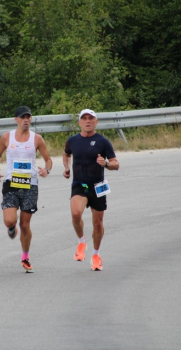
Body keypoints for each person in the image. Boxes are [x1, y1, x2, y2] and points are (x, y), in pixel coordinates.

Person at [0, 106, 53, 273]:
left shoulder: (37, 139)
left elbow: (48, 160)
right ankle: (11, 228)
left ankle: (25, 257)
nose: (26, 119)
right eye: (23, 117)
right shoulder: (7, 137)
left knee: (25, 225)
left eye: (28, 117)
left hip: (30, 185)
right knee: (10, 221)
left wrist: (46, 170)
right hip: (11, 183)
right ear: (16, 119)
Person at [63, 109, 119, 271]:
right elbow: (66, 154)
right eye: (84, 118)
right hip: (80, 185)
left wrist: (106, 164)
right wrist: (66, 168)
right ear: (79, 122)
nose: (87, 121)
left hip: (98, 186)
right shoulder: (72, 141)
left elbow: (116, 164)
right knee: (75, 214)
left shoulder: (103, 142)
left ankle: (96, 254)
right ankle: (81, 242)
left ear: (96, 122)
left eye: (91, 118)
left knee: (98, 224)